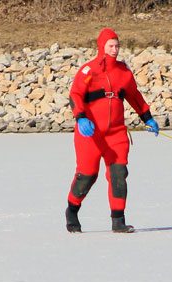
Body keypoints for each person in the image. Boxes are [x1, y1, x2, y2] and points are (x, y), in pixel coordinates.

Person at [65, 28, 159, 233]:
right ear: (102, 47)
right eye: (111, 46)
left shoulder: (124, 73)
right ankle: (72, 210)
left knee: (118, 173)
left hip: (116, 134)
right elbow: (76, 95)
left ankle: (118, 221)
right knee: (87, 175)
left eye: (117, 46)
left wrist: (148, 117)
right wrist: (80, 118)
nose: (115, 50)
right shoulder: (89, 72)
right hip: (90, 134)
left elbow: (134, 96)